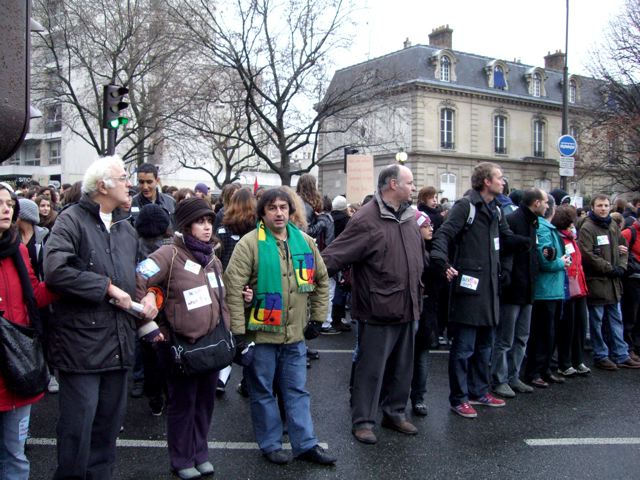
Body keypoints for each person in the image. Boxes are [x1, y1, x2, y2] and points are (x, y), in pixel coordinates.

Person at [44, 156, 160, 479]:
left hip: (120, 346)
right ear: (103, 185)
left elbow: (142, 273)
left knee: (107, 436)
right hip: (80, 349)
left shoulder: (125, 227)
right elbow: (56, 271)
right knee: (76, 435)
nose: (131, 184)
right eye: (124, 178)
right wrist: (106, 288)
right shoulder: (71, 221)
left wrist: (152, 296)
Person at [224, 188, 335, 466]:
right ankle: (271, 444)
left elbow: (321, 280)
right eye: (272, 208)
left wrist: (317, 319)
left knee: (296, 391)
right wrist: (238, 334)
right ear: (262, 213)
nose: (279, 213)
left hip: (295, 336)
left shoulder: (305, 242)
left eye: (283, 207)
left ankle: (306, 444)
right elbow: (233, 288)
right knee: (263, 393)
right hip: (261, 336)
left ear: (290, 210)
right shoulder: (249, 244)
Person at [322, 164, 424, 444]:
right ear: (393, 184)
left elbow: (418, 256)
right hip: (378, 308)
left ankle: (394, 412)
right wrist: (303, 278)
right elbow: (334, 256)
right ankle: (363, 421)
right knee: (371, 370)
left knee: (403, 367)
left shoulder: (410, 217)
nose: (413, 187)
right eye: (409, 182)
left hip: (408, 304)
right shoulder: (367, 218)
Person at [136, 197, 237, 479]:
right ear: (185, 225)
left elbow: (223, 297)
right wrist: (150, 325)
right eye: (200, 222)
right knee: (182, 405)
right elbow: (138, 277)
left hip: (211, 344)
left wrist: (226, 327)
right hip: (180, 346)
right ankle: (181, 459)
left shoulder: (213, 258)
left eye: (209, 221)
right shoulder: (169, 254)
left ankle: (200, 453)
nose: (207, 228)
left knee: (205, 403)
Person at [430, 162, 526, 419]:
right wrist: (442, 262)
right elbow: (443, 236)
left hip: (490, 290)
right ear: (486, 181)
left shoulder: (496, 209)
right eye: (499, 177)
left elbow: (505, 240)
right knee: (463, 349)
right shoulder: (466, 207)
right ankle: (459, 398)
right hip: (468, 289)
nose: (503, 181)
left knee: (485, 346)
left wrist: (530, 236)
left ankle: (479, 391)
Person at [0, 185, 56, 479]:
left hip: (17, 366)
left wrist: (64, 281)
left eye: (9, 203)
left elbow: (34, 294)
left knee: (15, 456)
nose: (6, 208)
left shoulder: (19, 250)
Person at [491, 188, 546, 398]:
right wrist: (508, 278)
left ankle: (514, 377)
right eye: (545, 202)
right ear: (537, 203)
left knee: (522, 337)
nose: (548, 206)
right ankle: (499, 379)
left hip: (528, 288)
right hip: (513, 288)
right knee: (505, 339)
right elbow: (505, 251)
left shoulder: (533, 221)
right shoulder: (514, 219)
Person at [578, 194, 640, 370]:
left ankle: (621, 354)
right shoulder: (588, 227)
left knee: (616, 319)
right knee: (597, 322)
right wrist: (609, 268)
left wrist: (621, 266)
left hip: (614, 283)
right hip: (597, 281)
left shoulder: (612, 225)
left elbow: (623, 248)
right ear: (593, 207)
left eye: (606, 205)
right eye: (599, 205)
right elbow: (587, 255)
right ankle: (601, 355)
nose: (603, 208)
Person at [523, 194, 571, 388]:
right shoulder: (542, 227)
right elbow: (546, 259)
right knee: (542, 334)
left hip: (553, 288)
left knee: (549, 333)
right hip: (545, 289)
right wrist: (562, 262)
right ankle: (535, 371)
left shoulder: (547, 227)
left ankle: (544, 369)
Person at [552, 204, 591, 376]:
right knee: (567, 327)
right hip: (567, 287)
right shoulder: (561, 239)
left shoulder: (573, 238)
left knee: (580, 326)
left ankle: (578, 360)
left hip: (579, 287)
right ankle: (565, 362)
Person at [411, 210, 434, 416]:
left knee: (421, 356)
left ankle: (419, 396)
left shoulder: (432, 251)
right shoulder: (413, 251)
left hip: (425, 310)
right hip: (410, 308)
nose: (431, 229)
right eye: (426, 226)